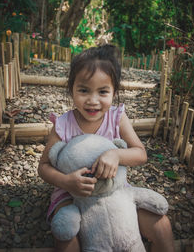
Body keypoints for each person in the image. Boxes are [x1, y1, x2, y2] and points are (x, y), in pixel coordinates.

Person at [38, 45, 175, 252]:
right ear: (71, 89)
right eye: (83, 90)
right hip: (71, 194)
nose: (93, 101)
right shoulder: (63, 124)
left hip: (115, 191)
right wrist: (66, 181)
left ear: (114, 92)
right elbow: (44, 166)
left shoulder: (116, 118)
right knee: (66, 236)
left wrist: (116, 154)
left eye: (103, 92)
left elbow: (140, 154)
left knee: (161, 224)